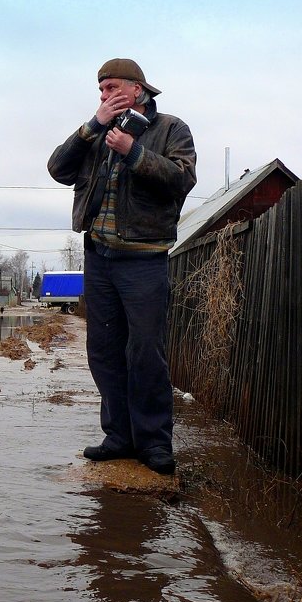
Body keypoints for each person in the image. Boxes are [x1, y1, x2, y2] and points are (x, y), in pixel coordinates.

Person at [47, 58, 196, 475]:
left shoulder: (170, 129)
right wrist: (90, 127)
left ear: (137, 89)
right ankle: (119, 437)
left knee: (145, 351)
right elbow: (58, 169)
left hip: (144, 258)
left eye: (111, 87)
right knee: (104, 351)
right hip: (99, 257)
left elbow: (181, 179)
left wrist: (133, 152)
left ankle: (153, 443)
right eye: (100, 90)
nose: (104, 95)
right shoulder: (96, 131)